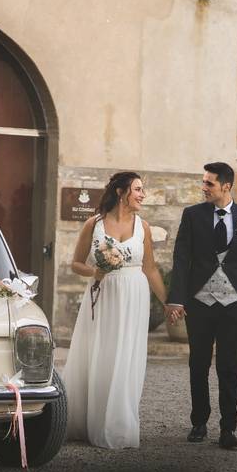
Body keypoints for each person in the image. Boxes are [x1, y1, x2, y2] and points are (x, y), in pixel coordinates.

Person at [64, 171, 168, 448]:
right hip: (104, 294)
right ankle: (91, 419)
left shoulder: (142, 226)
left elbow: (150, 268)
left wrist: (168, 303)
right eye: (138, 189)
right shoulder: (94, 224)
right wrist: (94, 271)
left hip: (134, 295)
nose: (142, 194)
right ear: (122, 192)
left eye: (142, 189)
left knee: (126, 356)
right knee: (101, 353)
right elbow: (75, 263)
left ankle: (118, 422)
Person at [165, 162, 237, 450]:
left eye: (209, 183)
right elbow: (181, 259)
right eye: (204, 182)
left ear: (226, 187)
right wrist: (177, 299)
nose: (203, 187)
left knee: (230, 366)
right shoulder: (193, 215)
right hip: (200, 303)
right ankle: (199, 422)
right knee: (199, 363)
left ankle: (228, 427)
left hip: (233, 304)